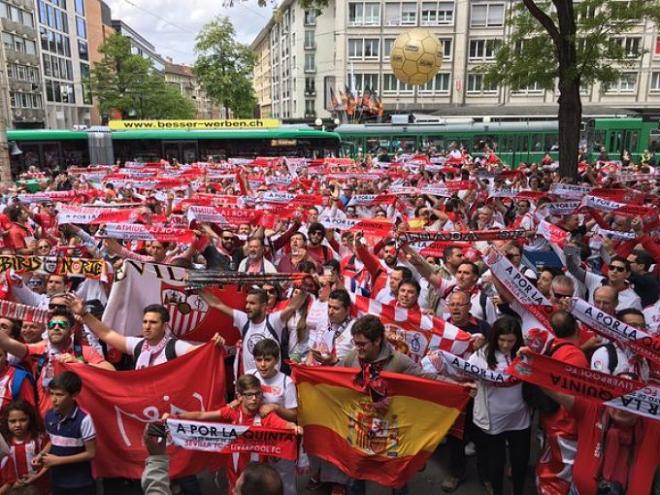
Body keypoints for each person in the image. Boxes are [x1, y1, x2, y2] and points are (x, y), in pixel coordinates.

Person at [166, 374, 301, 493]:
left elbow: (284, 425)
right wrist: (176, 417)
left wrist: (293, 427)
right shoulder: (232, 412)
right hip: (234, 472)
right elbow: (202, 415)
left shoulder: (265, 415)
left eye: (257, 394)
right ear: (240, 396)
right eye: (249, 395)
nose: (254, 399)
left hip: (256, 477)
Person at [539, 371, 660, 495]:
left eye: (632, 401)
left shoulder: (654, 425)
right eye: (617, 398)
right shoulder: (593, 408)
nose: (623, 407)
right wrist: (532, 363)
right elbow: (549, 384)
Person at [0, 308, 114, 417]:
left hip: (76, 423)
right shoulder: (37, 350)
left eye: (62, 325)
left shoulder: (83, 352)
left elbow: (111, 371)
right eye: (51, 325)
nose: (56, 328)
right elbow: (6, 342)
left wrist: (80, 364)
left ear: (72, 330)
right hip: (44, 420)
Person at [469, 316, 530, 495]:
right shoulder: (480, 355)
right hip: (493, 420)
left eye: (510, 341)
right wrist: (471, 388)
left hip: (520, 419)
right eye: (501, 340)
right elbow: (467, 376)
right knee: (496, 464)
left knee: (520, 462)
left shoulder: (525, 354)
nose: (505, 345)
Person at [535, 311, 588, 495]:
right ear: (576, 329)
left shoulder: (550, 346)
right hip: (566, 426)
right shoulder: (575, 356)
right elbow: (576, 398)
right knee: (560, 474)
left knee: (550, 465)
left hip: (552, 420)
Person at [200, 287, 306, 373]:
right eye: (247, 302)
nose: (247, 306)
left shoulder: (274, 321)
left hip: (271, 385)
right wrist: (197, 287)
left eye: (252, 303)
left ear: (263, 306)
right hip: (250, 386)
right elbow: (216, 304)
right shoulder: (243, 319)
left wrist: (305, 287)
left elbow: (293, 306)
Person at [246, 339, 297, 495]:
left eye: (267, 360)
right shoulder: (249, 375)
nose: (263, 364)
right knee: (256, 481)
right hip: (255, 439)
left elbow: (294, 415)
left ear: (276, 360)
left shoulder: (286, 382)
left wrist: (275, 407)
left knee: (284, 482)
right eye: (259, 359)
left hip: (279, 440)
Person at [34, 371, 97, 495]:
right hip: (57, 481)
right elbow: (53, 441)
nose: (54, 399)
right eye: (51, 394)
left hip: (80, 483)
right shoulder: (49, 416)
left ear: (74, 395)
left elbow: (91, 453)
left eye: (59, 395)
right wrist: (41, 455)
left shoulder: (84, 419)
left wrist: (59, 460)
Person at [0, 400, 49, 494]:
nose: (18, 425)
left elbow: (48, 463)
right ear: (6, 422)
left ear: (30, 419)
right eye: (13, 421)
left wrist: (37, 475)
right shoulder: (4, 444)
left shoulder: (39, 440)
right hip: (12, 490)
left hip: (40, 488)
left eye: (23, 420)